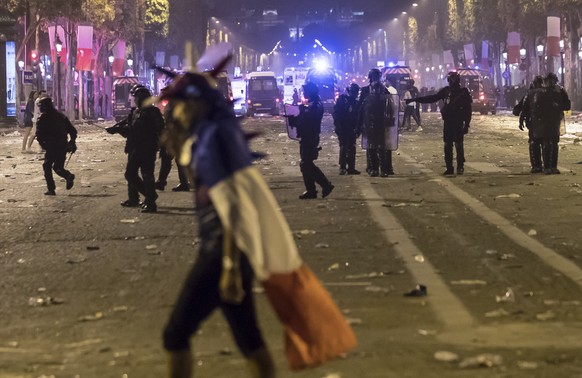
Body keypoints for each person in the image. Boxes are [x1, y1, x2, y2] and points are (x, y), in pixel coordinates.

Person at [159, 70, 278, 378]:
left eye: (181, 103)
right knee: (250, 341)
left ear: (197, 104)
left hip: (221, 250)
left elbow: (233, 205)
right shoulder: (212, 136)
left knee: (175, 334)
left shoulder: (212, 140)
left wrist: (230, 266)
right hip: (235, 249)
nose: (177, 110)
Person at [107, 85, 165, 212]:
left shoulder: (152, 112)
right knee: (130, 174)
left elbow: (158, 128)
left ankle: (151, 203)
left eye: (136, 97)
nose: (134, 100)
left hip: (147, 148)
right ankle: (149, 196)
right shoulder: (135, 112)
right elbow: (129, 127)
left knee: (147, 175)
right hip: (135, 148)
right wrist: (116, 129)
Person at [407, 71, 472, 175]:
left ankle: (460, 167)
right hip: (449, 122)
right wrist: (415, 99)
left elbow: (468, 110)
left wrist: (467, 124)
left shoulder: (463, 92)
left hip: (458, 122)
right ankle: (450, 168)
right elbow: (432, 98)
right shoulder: (446, 91)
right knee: (448, 145)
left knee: (458, 145)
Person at [290, 81, 334, 199]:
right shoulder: (312, 104)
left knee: (306, 164)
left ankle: (325, 185)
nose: (304, 93)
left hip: (310, 137)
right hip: (307, 136)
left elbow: (309, 120)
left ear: (311, 92)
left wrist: (301, 112)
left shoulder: (315, 105)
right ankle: (311, 191)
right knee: (305, 164)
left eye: (305, 91)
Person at [524, 72, 570, 174]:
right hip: (547, 121)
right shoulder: (557, 91)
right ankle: (547, 167)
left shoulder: (536, 92)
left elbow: (567, 106)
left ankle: (544, 167)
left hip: (543, 121)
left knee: (547, 143)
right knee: (546, 143)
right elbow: (567, 106)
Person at [35, 96, 77, 195]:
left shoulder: (43, 118)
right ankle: (68, 176)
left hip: (52, 146)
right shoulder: (61, 116)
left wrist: (44, 145)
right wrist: (72, 142)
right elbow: (73, 131)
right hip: (63, 145)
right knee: (58, 167)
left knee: (47, 165)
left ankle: (51, 189)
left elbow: (39, 135)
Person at [358, 68, 395, 177]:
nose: (376, 79)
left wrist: (391, 119)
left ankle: (383, 169)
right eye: (374, 77)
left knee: (382, 147)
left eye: (377, 77)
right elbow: (360, 108)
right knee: (371, 147)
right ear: (370, 78)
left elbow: (391, 105)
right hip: (369, 122)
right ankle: (373, 168)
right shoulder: (365, 91)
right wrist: (359, 124)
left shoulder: (384, 90)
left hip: (381, 122)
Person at [512, 76, 544, 173]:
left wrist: (521, 119)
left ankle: (540, 165)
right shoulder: (532, 94)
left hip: (539, 122)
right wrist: (521, 119)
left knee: (538, 143)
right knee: (536, 143)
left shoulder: (534, 93)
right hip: (536, 122)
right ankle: (538, 165)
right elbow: (524, 108)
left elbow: (522, 108)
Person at [332, 82, 360, 175]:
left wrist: (358, 128)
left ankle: (351, 167)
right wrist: (338, 126)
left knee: (352, 147)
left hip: (351, 128)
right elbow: (336, 113)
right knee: (344, 146)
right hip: (343, 127)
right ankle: (342, 167)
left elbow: (358, 116)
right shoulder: (342, 100)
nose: (354, 94)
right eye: (353, 92)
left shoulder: (355, 102)